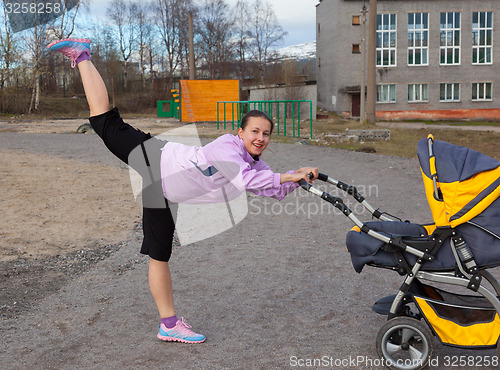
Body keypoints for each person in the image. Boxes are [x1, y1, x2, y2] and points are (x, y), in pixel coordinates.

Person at [47, 38, 319, 344]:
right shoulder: (228, 147)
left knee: (159, 255)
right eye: (254, 131)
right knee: (105, 122)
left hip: (165, 191)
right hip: (157, 160)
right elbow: (246, 181)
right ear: (240, 132)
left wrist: (298, 179)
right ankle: (82, 55)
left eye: (266, 134)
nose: (260, 138)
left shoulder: (255, 164)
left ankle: (169, 325)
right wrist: (288, 175)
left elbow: (272, 189)